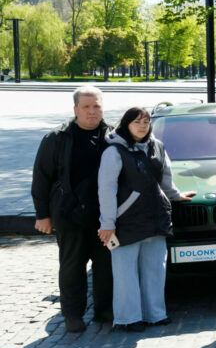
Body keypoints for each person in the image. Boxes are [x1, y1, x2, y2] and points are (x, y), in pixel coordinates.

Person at [97, 107, 196, 331]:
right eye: (136, 122)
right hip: (126, 221)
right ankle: (128, 319)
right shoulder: (114, 152)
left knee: (155, 270)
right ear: (126, 124)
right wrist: (107, 223)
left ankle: (155, 314)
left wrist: (175, 196)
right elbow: (106, 190)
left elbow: (166, 178)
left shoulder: (157, 146)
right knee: (125, 274)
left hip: (155, 218)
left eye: (146, 121)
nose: (142, 126)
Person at [31, 86, 114, 333]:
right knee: (72, 268)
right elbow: (41, 178)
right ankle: (73, 315)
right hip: (69, 215)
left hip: (104, 217)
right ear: (76, 109)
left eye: (96, 106)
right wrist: (42, 215)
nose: (92, 111)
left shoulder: (112, 136)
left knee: (106, 267)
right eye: (86, 107)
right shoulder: (56, 138)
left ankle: (105, 311)